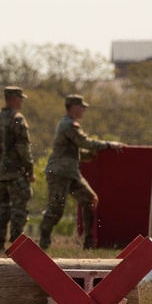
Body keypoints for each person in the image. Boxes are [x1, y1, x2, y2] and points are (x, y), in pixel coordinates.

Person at [38, 94, 125, 250]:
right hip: (59, 173)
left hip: (70, 173)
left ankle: (88, 243)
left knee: (90, 199)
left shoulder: (69, 124)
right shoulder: (69, 125)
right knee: (56, 209)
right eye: (81, 106)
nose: (84, 109)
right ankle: (43, 243)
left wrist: (91, 155)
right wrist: (108, 145)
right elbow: (84, 142)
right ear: (74, 107)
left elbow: (75, 150)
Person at [0, 86, 35, 252]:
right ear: (14, 99)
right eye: (20, 98)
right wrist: (30, 170)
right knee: (19, 206)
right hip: (16, 172)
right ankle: (16, 243)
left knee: (2, 206)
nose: (21, 101)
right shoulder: (18, 119)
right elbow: (24, 148)